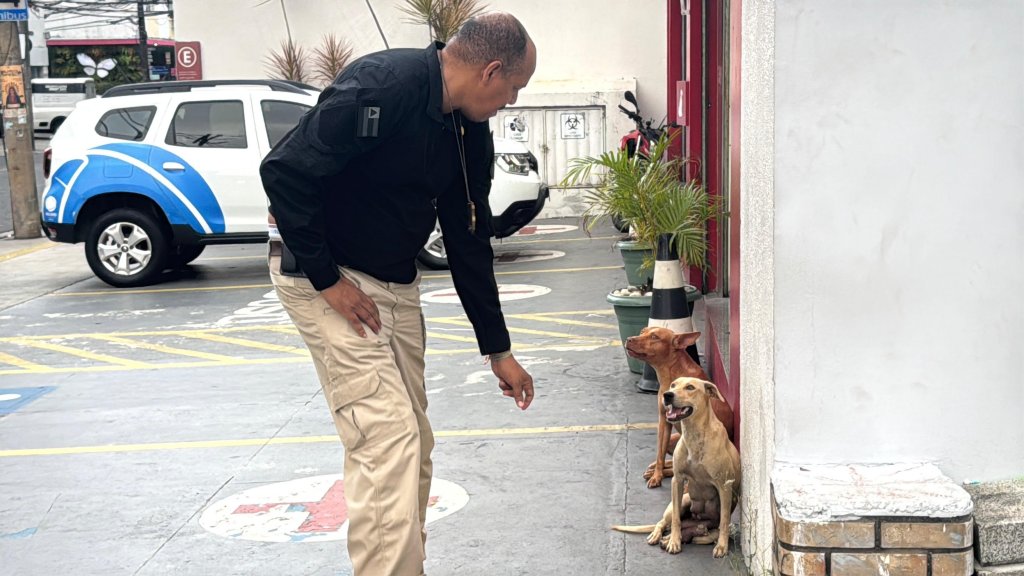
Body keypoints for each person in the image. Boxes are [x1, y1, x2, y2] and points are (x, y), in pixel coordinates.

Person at [260, 12, 537, 576]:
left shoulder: (467, 129)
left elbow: (467, 236)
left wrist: (498, 349)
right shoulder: (383, 87)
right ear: (490, 71)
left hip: (394, 282)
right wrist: (328, 280)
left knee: (415, 441)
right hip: (325, 277)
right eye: (514, 88)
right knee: (387, 438)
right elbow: (285, 171)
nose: (512, 101)